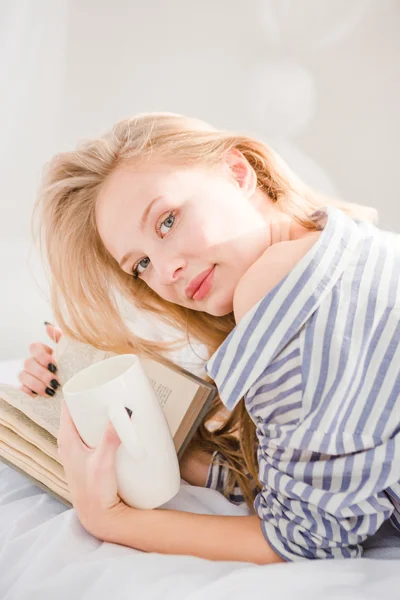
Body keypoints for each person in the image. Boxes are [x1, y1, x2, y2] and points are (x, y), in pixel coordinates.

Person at [19, 112, 400, 564]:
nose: (164, 272)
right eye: (140, 265)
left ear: (238, 172)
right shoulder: (348, 248)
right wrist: (168, 446)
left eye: (167, 221)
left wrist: (107, 518)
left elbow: (307, 539)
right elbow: (332, 474)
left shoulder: (273, 287)